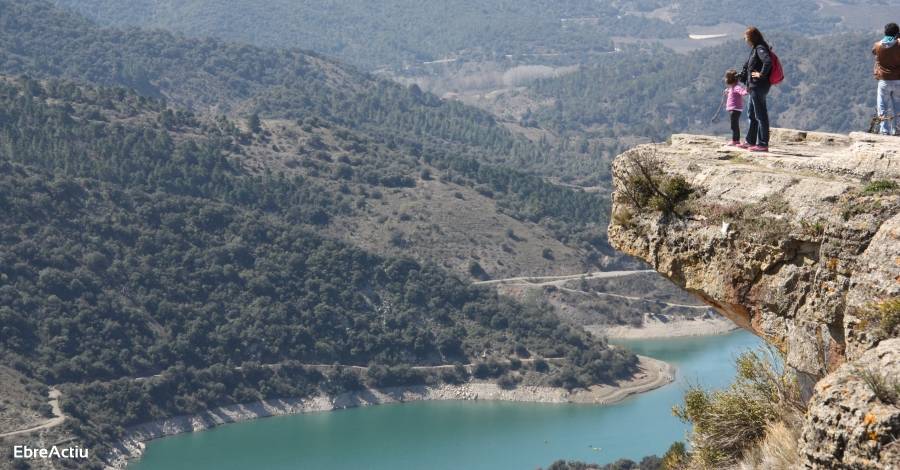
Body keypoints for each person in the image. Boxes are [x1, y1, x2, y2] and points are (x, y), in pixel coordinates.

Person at [738, 26, 773, 153]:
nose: (745, 39)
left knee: (760, 115)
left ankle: (763, 143)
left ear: (752, 37)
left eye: (746, 37)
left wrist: (761, 74)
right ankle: (750, 141)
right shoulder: (756, 48)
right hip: (753, 87)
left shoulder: (760, 48)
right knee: (752, 114)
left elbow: (767, 62)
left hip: (758, 87)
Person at [873, 23, 900, 135]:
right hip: (898, 79)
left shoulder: (878, 45)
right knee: (897, 105)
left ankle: (884, 130)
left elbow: (874, 52)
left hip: (883, 80)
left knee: (882, 105)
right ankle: (897, 129)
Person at [723, 69, 749, 146]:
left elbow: (742, 92)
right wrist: (728, 91)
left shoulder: (736, 87)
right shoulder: (732, 87)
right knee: (734, 125)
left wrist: (746, 91)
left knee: (734, 125)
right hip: (733, 109)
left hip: (735, 109)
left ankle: (735, 140)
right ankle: (735, 140)